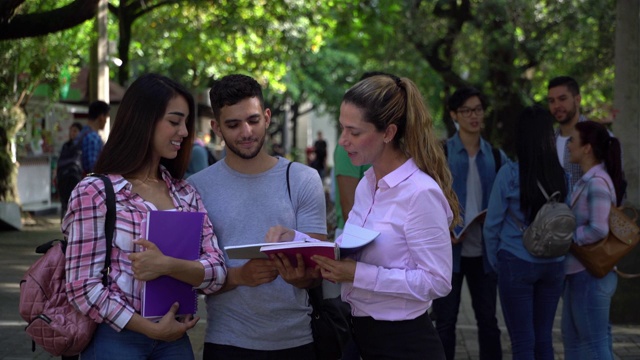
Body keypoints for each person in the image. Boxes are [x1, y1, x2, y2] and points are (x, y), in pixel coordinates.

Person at [62, 73, 227, 359]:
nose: (185, 132)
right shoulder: (96, 192)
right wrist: (147, 328)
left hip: (175, 339)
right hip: (116, 340)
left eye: (185, 123)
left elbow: (217, 273)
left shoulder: (186, 194)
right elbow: (82, 286)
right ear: (143, 121)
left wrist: (167, 265)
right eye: (174, 122)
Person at [311, 74, 459, 360]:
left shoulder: (419, 192)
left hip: (404, 343)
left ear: (388, 133)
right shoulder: (369, 182)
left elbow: (438, 281)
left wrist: (358, 274)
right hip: (361, 334)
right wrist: (299, 244)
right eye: (342, 129)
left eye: (354, 132)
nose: (343, 141)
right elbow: (353, 244)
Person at [188, 74, 327, 359]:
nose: (246, 131)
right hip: (226, 341)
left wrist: (299, 275)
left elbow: (319, 270)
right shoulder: (196, 188)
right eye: (233, 124)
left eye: (253, 120)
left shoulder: (303, 179)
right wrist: (239, 276)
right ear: (216, 127)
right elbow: (190, 276)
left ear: (266, 117)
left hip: (296, 340)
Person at [483, 105, 568, 359]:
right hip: (554, 264)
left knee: (522, 341)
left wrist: (494, 261)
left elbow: (492, 225)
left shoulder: (509, 173)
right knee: (544, 338)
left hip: (516, 260)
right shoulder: (560, 175)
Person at [432, 87, 505, 360]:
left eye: (478, 109)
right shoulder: (441, 153)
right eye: (466, 110)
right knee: (446, 323)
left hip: (485, 251)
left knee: (488, 322)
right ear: (454, 115)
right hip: (449, 252)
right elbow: (426, 201)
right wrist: (443, 228)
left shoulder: (496, 157)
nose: (474, 116)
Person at [563, 120, 624, 360]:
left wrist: (567, 239)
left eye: (573, 141)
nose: (569, 146)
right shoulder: (589, 180)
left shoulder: (597, 183)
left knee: (595, 346)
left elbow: (598, 229)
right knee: (575, 343)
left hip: (590, 275)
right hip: (579, 273)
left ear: (587, 147)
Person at [547, 76, 588, 190]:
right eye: (551, 101)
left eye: (562, 99)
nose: (556, 106)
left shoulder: (596, 136)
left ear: (577, 100)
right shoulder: (548, 142)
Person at [55, 122, 83, 218]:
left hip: (75, 178)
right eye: (71, 131)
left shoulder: (81, 146)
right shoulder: (66, 146)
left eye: (75, 131)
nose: (72, 133)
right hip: (63, 177)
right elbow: (61, 161)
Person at [79, 100, 110, 174]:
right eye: (106, 117)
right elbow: (93, 169)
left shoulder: (82, 133)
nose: (106, 121)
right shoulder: (93, 137)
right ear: (101, 117)